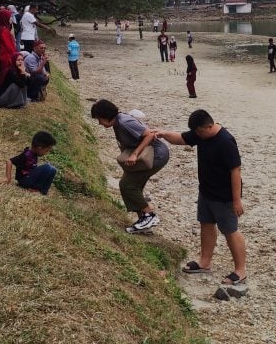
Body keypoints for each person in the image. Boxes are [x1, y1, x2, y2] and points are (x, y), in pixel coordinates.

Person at [156, 109, 247, 285]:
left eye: (198, 132)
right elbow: (182, 138)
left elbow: (235, 171)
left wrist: (237, 200)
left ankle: (241, 270)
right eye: (195, 132)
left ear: (209, 126)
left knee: (230, 230)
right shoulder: (200, 134)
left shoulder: (225, 141)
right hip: (206, 191)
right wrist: (163, 134)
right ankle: (204, 262)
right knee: (206, 223)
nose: (196, 135)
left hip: (224, 196)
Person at [91, 99, 169, 234]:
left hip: (156, 156)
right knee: (132, 185)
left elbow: (150, 134)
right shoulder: (118, 122)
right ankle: (144, 222)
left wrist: (134, 154)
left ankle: (149, 216)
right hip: (148, 156)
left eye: (100, 119)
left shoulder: (124, 122)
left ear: (106, 116)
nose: (100, 123)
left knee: (128, 185)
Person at [5, 130, 58, 195]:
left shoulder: (34, 155)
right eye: (46, 151)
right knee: (48, 167)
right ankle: (36, 188)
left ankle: (43, 192)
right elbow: (9, 161)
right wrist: (8, 178)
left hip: (30, 178)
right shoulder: (26, 155)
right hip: (24, 181)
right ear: (39, 148)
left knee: (53, 170)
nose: (46, 153)